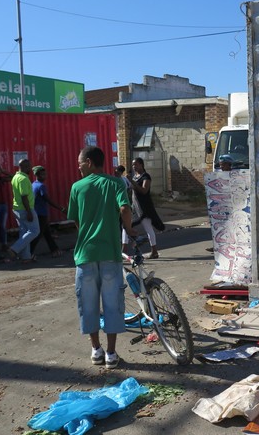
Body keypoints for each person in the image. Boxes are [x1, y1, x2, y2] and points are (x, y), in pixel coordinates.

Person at [67, 146, 136, 370]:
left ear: (89, 162)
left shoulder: (77, 187)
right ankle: (112, 353)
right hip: (110, 255)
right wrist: (129, 229)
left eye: (79, 162)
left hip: (85, 255)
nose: (78, 166)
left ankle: (96, 350)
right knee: (112, 304)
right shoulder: (116, 183)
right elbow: (125, 208)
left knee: (88, 304)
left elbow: (75, 220)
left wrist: (86, 233)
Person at [128, 157, 165, 259]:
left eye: (135, 164)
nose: (134, 167)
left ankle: (154, 251)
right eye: (133, 165)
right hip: (135, 207)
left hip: (144, 208)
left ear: (141, 164)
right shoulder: (135, 176)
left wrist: (132, 181)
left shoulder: (145, 177)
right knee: (126, 226)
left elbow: (144, 191)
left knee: (148, 229)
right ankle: (133, 243)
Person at [7, 159, 40, 263]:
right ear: (25, 167)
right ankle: (14, 249)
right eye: (29, 166)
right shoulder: (23, 179)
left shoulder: (15, 177)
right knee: (35, 231)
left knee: (24, 232)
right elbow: (24, 196)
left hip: (17, 209)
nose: (30, 169)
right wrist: (29, 212)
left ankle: (26, 257)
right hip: (25, 209)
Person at [30, 166, 65, 258]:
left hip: (37, 213)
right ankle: (28, 253)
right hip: (41, 214)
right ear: (37, 175)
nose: (44, 176)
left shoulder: (33, 184)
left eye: (45, 174)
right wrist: (61, 208)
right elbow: (47, 200)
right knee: (38, 234)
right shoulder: (41, 186)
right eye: (42, 174)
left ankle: (55, 250)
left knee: (46, 233)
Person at [114, 165, 135, 256]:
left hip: (120, 205)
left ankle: (123, 245)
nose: (116, 172)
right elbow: (130, 187)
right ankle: (123, 245)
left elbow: (130, 187)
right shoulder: (123, 180)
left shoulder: (117, 180)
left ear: (120, 172)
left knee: (123, 225)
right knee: (122, 226)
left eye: (117, 171)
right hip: (122, 204)